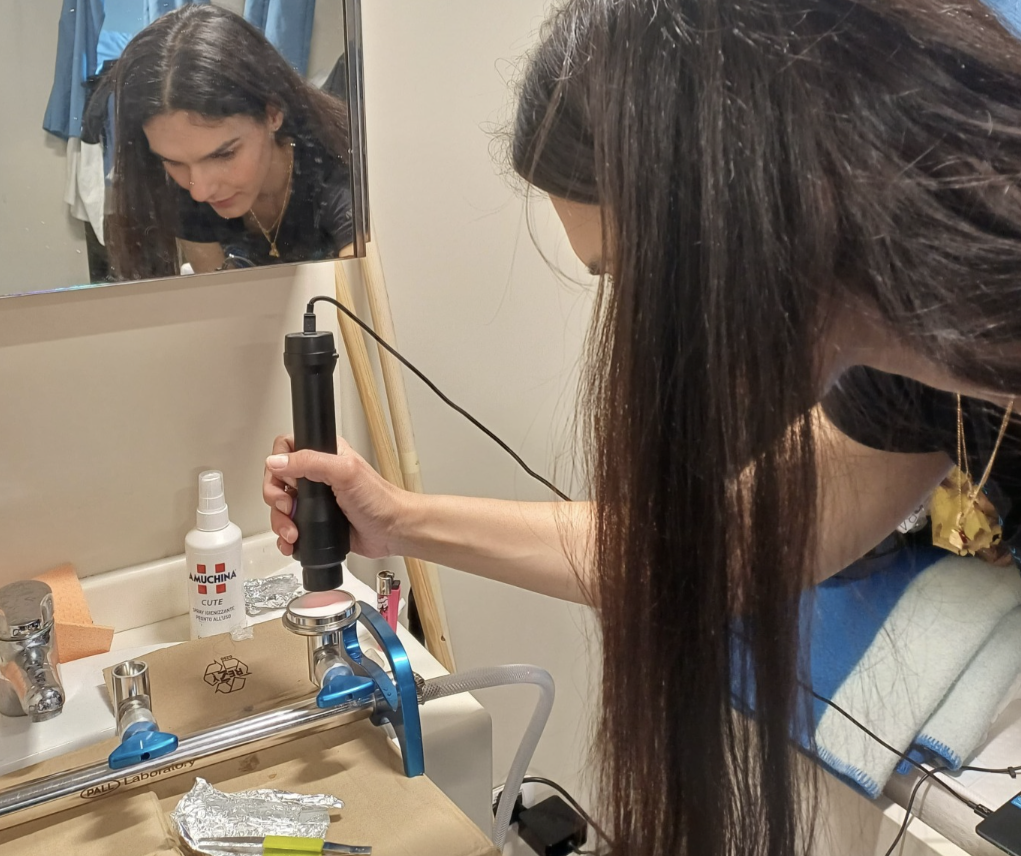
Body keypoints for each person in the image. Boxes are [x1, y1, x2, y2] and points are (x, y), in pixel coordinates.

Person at [263, 1, 1021, 854]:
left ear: (779, 186)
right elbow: (712, 553)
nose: (641, 328)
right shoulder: (908, 368)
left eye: (637, 273)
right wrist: (397, 520)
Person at [105, 4, 354, 281]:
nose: (200, 191)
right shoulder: (181, 186)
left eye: (223, 155)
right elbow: (225, 296)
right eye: (173, 162)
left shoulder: (338, 175)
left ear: (272, 114)